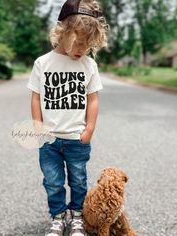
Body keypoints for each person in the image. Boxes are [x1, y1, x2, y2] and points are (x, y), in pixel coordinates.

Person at [26, 0, 109, 235]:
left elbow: (92, 99)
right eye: (78, 42)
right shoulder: (42, 63)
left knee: (79, 181)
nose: (82, 48)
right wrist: (38, 127)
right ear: (62, 31)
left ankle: (77, 217)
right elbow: (35, 97)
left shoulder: (89, 65)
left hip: (76, 138)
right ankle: (58, 216)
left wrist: (89, 130)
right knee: (52, 182)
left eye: (88, 44)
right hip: (49, 140)